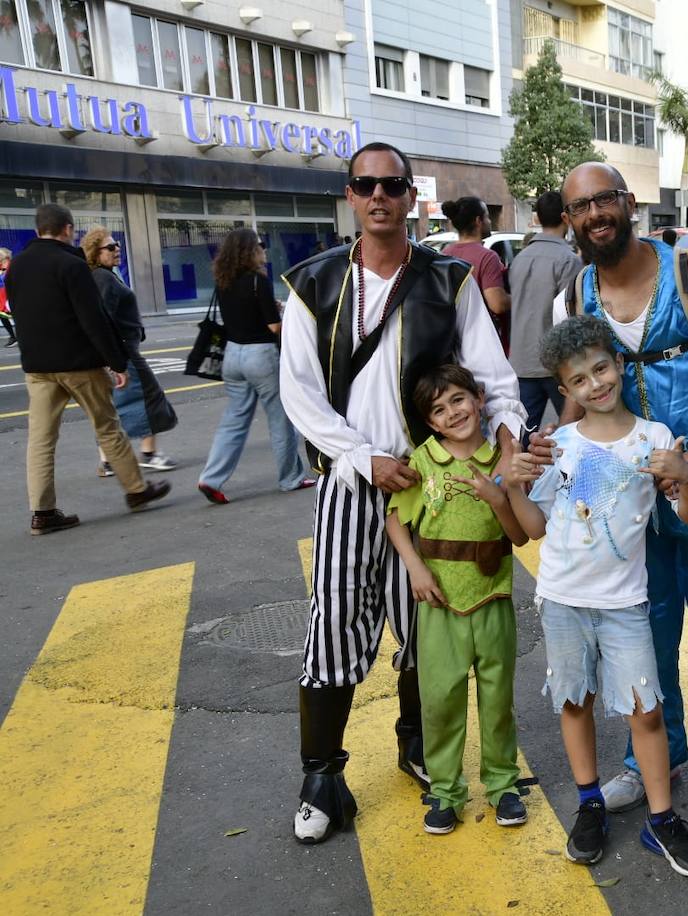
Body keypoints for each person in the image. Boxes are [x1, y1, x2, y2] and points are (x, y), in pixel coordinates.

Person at [278, 142, 525, 845]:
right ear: (350, 195)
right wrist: (363, 458)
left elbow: (493, 377)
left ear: (410, 195)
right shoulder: (313, 283)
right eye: (366, 184)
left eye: (392, 185)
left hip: (434, 484)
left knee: (428, 621)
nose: (379, 195)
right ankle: (321, 774)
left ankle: (420, 747)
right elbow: (299, 392)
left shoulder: (448, 279)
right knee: (334, 623)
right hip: (353, 484)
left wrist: (506, 437)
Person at [540, 161, 688, 855]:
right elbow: (575, 401)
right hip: (625, 511)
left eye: (605, 200)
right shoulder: (575, 296)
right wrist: (553, 462)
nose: (594, 215)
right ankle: (655, 764)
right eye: (581, 206)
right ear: (572, 218)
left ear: (629, 202)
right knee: (640, 641)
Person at [505, 317, 688, 877]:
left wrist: (685, 476)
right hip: (562, 597)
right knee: (575, 702)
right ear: (564, 390)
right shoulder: (559, 445)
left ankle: (662, 818)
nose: (595, 384)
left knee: (646, 710)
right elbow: (534, 528)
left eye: (601, 368)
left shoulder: (656, 439)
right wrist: (511, 483)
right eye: (578, 379)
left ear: (619, 365)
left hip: (625, 604)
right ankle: (589, 803)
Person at [383, 364, 529, 835]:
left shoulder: (503, 461)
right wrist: (415, 568)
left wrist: (498, 498)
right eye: (439, 409)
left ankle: (503, 785)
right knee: (440, 699)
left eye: (459, 401)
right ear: (430, 422)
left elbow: (519, 537)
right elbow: (395, 520)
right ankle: (445, 790)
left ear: (479, 399)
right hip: (438, 603)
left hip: (493, 598)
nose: (452, 413)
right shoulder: (422, 462)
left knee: (497, 697)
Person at [5, 203, 171, 534]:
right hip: (79, 364)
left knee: (40, 439)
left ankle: (43, 512)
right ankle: (137, 491)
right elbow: (92, 318)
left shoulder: (17, 267)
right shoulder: (72, 264)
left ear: (39, 230)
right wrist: (116, 361)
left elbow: (16, 314)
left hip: (37, 366)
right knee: (107, 427)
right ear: (66, 229)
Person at [197, 228, 314, 503]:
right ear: (250, 250)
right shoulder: (257, 281)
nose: (263, 250)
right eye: (260, 245)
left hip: (233, 355)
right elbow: (273, 326)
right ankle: (290, 478)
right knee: (280, 420)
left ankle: (210, 478)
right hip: (260, 356)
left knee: (233, 421)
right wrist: (284, 315)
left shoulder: (223, 280)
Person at [83, 226, 178, 476]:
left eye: (118, 246)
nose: (117, 250)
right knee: (149, 396)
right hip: (123, 350)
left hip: (121, 348)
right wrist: (113, 357)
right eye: (111, 247)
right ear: (95, 252)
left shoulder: (106, 274)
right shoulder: (102, 277)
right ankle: (149, 454)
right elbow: (104, 317)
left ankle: (108, 460)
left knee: (117, 403)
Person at [508, 190, 581, 445]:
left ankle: (526, 486)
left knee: (525, 439)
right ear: (566, 217)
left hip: (521, 361)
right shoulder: (568, 260)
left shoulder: (520, 258)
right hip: (555, 364)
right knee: (569, 438)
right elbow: (571, 317)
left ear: (537, 217)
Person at [441, 197, 511, 352]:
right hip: (481, 342)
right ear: (478, 221)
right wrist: (518, 299)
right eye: (487, 216)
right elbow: (497, 304)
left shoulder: (445, 254)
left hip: (452, 340)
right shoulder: (487, 257)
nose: (490, 221)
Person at [0, 247, 17, 346]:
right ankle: (13, 337)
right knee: (3, 315)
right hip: (3, 295)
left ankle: (17, 337)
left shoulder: (12, 266)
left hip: (10, 294)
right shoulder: (3, 267)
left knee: (16, 316)